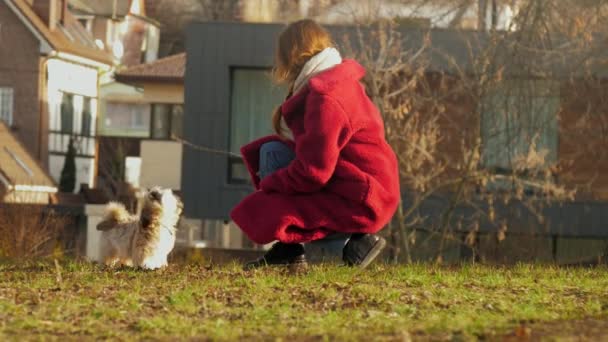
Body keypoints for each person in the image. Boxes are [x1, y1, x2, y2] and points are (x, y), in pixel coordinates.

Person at [230, 19, 400, 269]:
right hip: (372, 189)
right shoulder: (338, 82)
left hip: (364, 199)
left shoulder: (326, 98)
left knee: (272, 174)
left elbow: (313, 173)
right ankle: (329, 245)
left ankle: (337, 244)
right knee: (272, 153)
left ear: (288, 57)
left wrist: (271, 185)